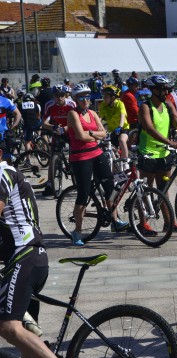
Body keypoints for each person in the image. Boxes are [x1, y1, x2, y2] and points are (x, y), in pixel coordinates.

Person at [0, 146, 58, 358]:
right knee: (27, 348)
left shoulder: (2, 174)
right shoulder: (12, 174)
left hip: (25, 257)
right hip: (29, 257)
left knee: (9, 327)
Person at [67, 83, 129, 246]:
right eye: (81, 97)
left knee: (111, 187)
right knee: (83, 194)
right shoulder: (73, 114)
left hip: (96, 153)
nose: (85, 100)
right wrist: (95, 135)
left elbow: (103, 133)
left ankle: (115, 221)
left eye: (87, 96)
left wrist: (92, 134)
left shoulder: (93, 113)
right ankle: (77, 232)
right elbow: (80, 136)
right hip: (80, 157)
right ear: (75, 99)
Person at [137, 75, 177, 234]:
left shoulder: (168, 105)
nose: (165, 91)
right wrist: (169, 141)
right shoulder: (146, 107)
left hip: (164, 153)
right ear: (153, 89)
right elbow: (149, 128)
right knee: (145, 189)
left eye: (167, 88)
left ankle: (169, 222)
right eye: (162, 88)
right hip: (148, 152)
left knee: (164, 188)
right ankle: (143, 223)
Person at [41, 85, 76, 197]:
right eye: (56, 96)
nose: (59, 98)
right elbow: (44, 122)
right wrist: (52, 127)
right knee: (53, 157)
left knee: (76, 155)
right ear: (53, 96)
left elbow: (77, 120)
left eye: (61, 95)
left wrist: (67, 128)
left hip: (70, 131)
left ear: (65, 95)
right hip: (57, 131)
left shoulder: (71, 104)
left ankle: (77, 175)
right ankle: (50, 184)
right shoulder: (49, 105)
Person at [99, 85, 130, 160]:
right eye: (104, 96)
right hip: (111, 130)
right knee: (111, 148)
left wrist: (120, 127)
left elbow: (123, 116)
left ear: (112, 98)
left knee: (122, 140)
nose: (104, 98)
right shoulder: (103, 104)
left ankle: (125, 160)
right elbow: (99, 118)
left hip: (123, 128)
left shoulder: (119, 104)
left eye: (106, 97)